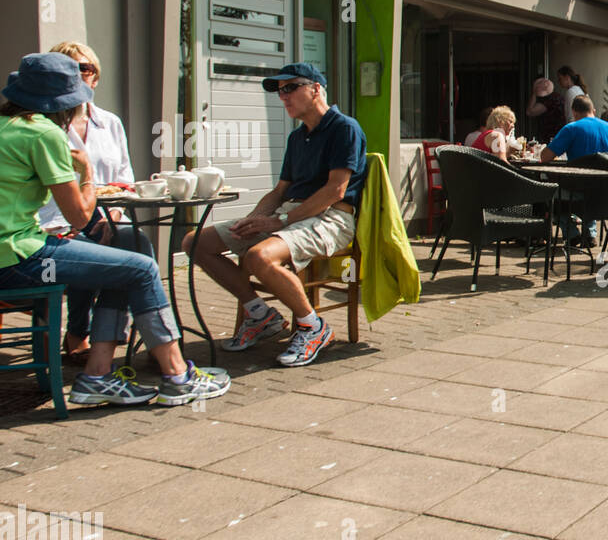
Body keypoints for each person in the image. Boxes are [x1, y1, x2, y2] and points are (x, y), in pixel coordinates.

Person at [0, 52, 229, 406]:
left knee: (124, 263)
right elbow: (79, 216)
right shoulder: (43, 134)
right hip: (21, 258)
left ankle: (97, 376)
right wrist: (87, 172)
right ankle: (177, 376)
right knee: (141, 267)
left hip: (13, 253)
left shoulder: (7, 127)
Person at [184, 62, 368, 367]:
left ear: (315, 88)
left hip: (332, 218)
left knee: (259, 257)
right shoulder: (297, 137)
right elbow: (280, 190)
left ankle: (313, 327)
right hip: (291, 213)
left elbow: (335, 190)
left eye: (290, 88)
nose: (283, 97)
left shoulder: (344, 127)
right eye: (280, 91)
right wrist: (253, 219)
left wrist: (280, 221)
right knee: (195, 243)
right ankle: (260, 315)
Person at [36, 41, 153, 364]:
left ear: (96, 77)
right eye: (69, 69)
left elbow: (124, 177)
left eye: (84, 69)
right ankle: (80, 334)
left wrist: (113, 215)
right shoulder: (43, 127)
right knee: (88, 245)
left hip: (107, 214)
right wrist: (74, 222)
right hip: (55, 220)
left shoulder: (110, 122)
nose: (78, 76)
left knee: (136, 245)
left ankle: (120, 337)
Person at [541, 95, 608, 247]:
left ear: (574, 112)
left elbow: (545, 157)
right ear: (593, 110)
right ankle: (590, 233)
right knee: (588, 184)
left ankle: (571, 233)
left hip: (578, 189)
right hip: (607, 191)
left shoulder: (571, 128)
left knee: (548, 190)